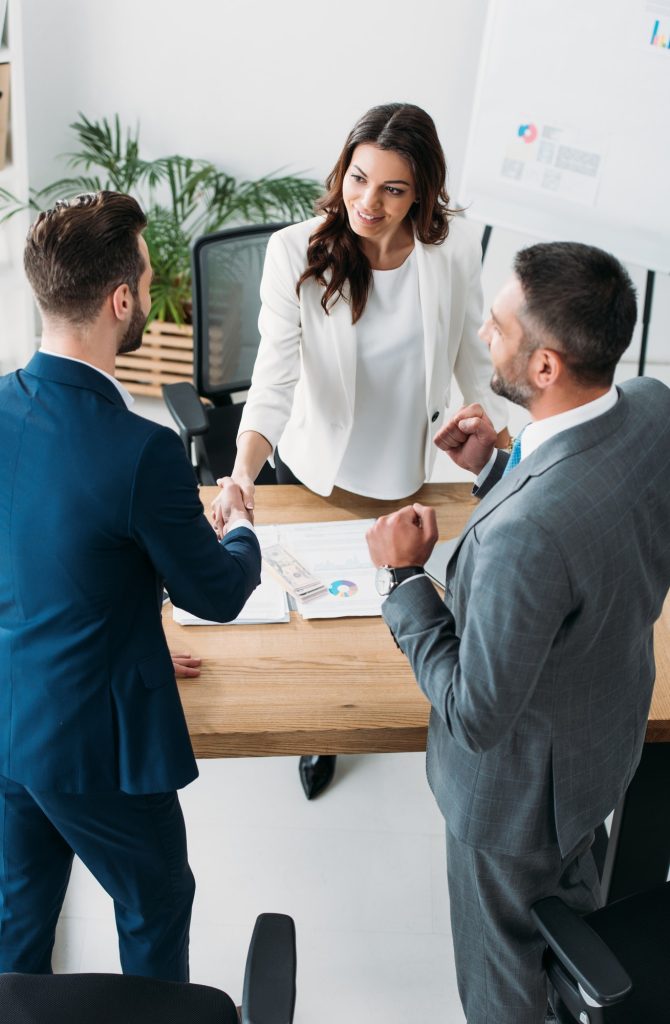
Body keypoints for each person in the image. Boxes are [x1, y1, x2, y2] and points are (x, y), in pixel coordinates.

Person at [365, 240, 670, 1024]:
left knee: (506, 987)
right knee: (571, 911)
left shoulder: (526, 536)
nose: (482, 337)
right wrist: (496, 467)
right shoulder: (652, 407)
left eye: (498, 327)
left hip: (514, 799)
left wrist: (404, 581)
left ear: (546, 367)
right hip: (602, 741)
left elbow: (474, 712)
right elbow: (596, 528)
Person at [213, 102, 509, 799]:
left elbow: (473, 357)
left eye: (393, 189)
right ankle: (323, 736)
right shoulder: (297, 251)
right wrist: (240, 476)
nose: (367, 203)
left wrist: (504, 442)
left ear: (424, 195)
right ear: (342, 169)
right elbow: (275, 379)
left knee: (396, 599)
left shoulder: (451, 252)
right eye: (358, 177)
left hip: (407, 471)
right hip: (318, 472)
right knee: (318, 624)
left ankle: (401, 712)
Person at [0, 191, 261, 981]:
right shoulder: (142, 452)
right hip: (92, 747)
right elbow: (216, 594)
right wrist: (242, 524)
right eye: (147, 281)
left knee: (20, 910)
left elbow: (45, 546)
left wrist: (131, 632)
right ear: (121, 302)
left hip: (11, 718)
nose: (150, 293)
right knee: (154, 900)